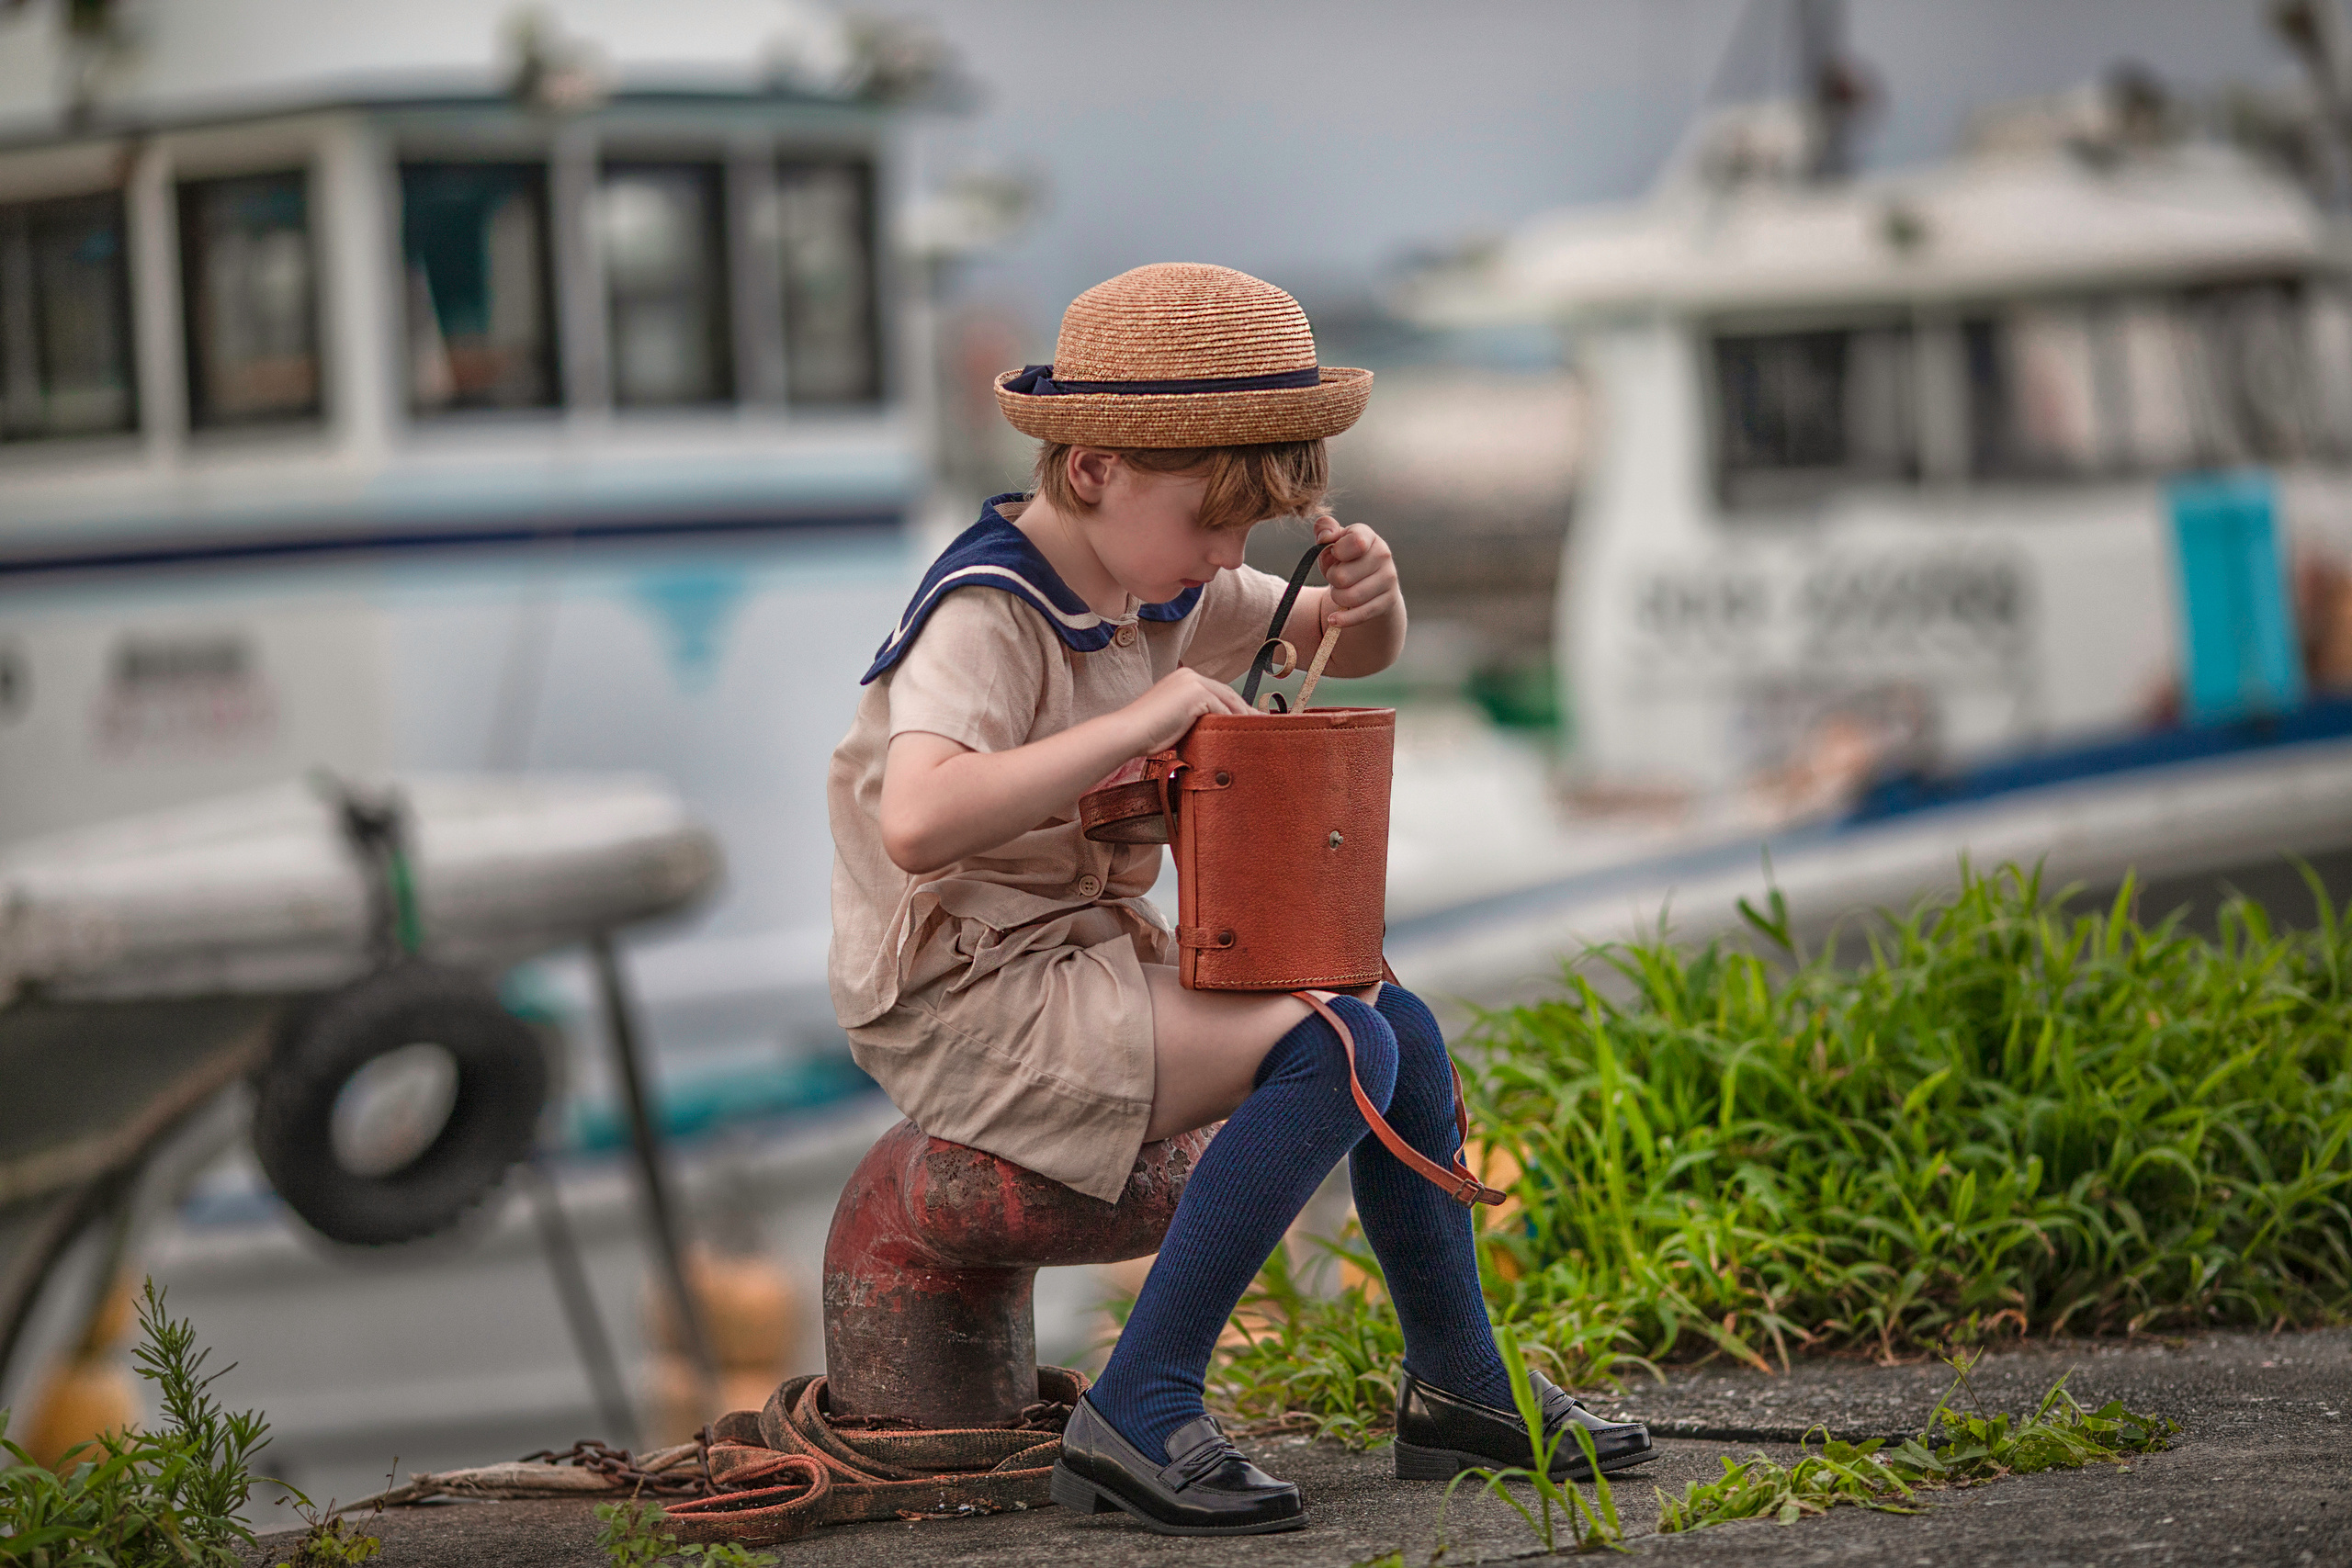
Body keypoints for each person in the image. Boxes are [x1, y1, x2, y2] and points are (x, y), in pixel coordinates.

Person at [826, 263, 1649, 1537]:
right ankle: (1140, 1407)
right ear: (1093, 467)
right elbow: (920, 817)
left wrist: (1372, 600)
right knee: (1331, 1047)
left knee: (1397, 1025)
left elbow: (1340, 641)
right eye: (1213, 526)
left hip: (1079, 968)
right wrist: (1146, 720)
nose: (1228, 561)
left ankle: (1459, 1386)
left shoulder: (1162, 576)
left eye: (1248, 540)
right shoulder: (989, 610)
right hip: (962, 996)